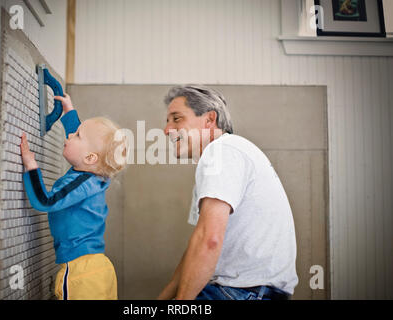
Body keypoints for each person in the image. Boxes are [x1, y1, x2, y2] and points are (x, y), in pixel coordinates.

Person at [157, 85, 298, 300]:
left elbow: (209, 240)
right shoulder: (224, 155)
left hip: (240, 293)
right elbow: (197, 248)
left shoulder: (222, 152)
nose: (167, 129)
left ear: (209, 120)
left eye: (176, 119)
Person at [20, 94, 127, 300]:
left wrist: (31, 166)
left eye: (76, 135)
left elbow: (45, 201)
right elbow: (82, 148)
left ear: (90, 158)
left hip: (81, 273)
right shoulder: (94, 175)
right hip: (97, 270)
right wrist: (69, 111)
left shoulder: (81, 183)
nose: (69, 136)